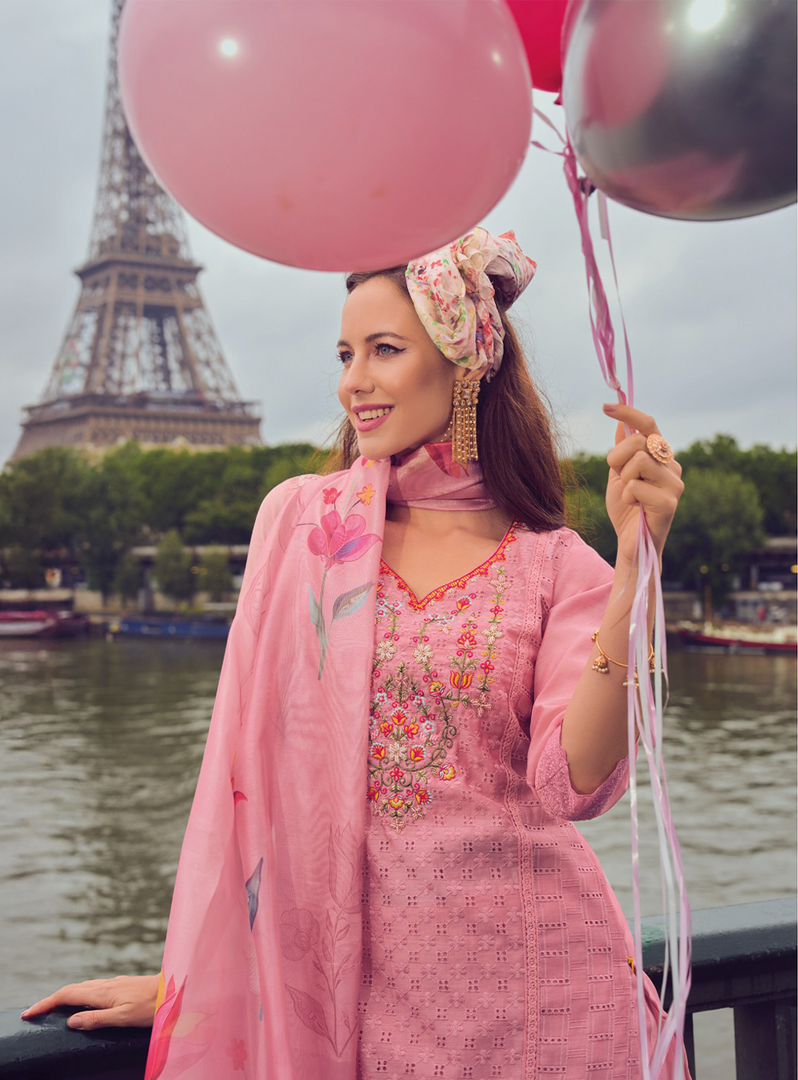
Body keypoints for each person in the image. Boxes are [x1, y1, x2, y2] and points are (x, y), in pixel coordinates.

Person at [23, 228, 689, 1079]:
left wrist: (636, 572)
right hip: (360, 1010)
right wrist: (205, 975)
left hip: (541, 1000)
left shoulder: (558, 566)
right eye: (345, 353)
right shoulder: (304, 525)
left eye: (384, 349)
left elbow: (576, 782)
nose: (353, 382)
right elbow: (249, 788)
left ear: (463, 363)